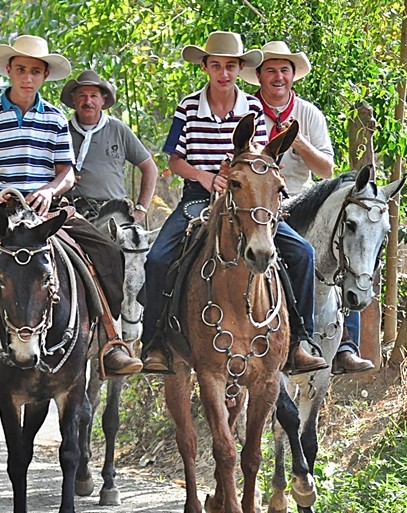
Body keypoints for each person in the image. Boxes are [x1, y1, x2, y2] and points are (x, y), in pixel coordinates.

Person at [0, 35, 142, 393]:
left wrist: (49, 191)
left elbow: (67, 172)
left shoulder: (56, 119)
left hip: (47, 211)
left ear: (44, 75)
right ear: (10, 71)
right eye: (21, 70)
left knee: (106, 254)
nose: (27, 77)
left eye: (34, 71)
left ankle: (110, 340)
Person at [140, 30, 327, 375]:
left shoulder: (252, 106)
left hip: (246, 196)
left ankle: (301, 340)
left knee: (302, 252)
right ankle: (155, 343)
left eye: (230, 66)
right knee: (157, 258)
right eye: (216, 66)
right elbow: (174, 161)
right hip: (199, 195)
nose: (223, 74)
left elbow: (254, 154)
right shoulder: (188, 105)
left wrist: (237, 170)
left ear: (239, 68)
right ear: (206, 68)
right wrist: (206, 176)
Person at [244, 41, 371, 374]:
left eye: (284, 70)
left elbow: (326, 170)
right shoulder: (247, 109)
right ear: (258, 76)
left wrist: (297, 140)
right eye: (270, 70)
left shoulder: (309, 113)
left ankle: (344, 345)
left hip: (305, 200)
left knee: (348, 244)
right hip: (260, 201)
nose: (278, 77)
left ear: (293, 76)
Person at [60, 69, 158, 224]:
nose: (88, 102)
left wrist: (140, 210)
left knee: (141, 246)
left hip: (115, 211)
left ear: (103, 101)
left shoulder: (118, 129)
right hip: (72, 211)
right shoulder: (61, 130)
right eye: (82, 96)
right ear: (73, 100)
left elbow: (150, 168)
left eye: (93, 96)